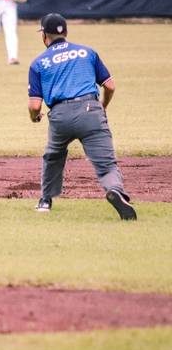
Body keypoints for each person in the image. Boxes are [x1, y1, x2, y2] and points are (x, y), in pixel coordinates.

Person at [28, 13, 137, 220]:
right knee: (106, 164)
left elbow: (34, 105)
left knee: (53, 155)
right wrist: (102, 106)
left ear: (44, 36)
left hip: (60, 116)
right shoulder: (88, 52)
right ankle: (115, 191)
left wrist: (34, 117)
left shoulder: (38, 63)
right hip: (91, 110)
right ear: (66, 32)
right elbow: (110, 85)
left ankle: (45, 200)